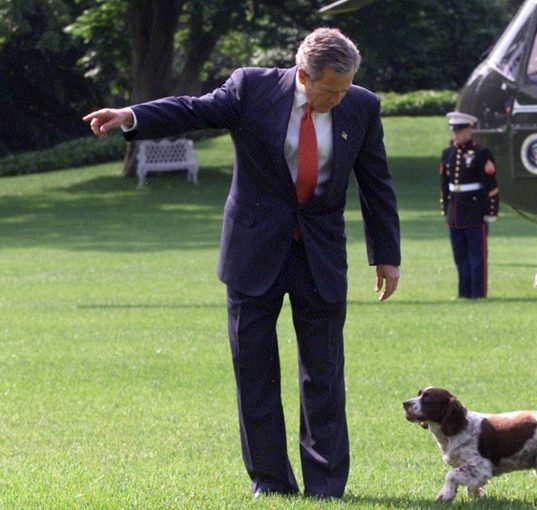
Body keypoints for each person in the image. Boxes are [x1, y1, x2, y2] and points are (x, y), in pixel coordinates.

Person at [83, 28, 401, 500]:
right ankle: (270, 482)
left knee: (324, 373)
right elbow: (193, 109)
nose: (340, 97)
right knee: (254, 372)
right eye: (331, 89)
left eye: (346, 86)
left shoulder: (361, 105)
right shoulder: (250, 88)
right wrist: (132, 115)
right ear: (302, 76)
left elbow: (376, 181)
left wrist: (387, 256)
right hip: (254, 253)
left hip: (320, 255)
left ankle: (326, 486)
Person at [439, 112, 499, 299]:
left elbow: (491, 185)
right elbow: (444, 185)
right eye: (453, 131)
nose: (455, 135)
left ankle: (478, 294)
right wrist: (446, 210)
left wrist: (491, 211)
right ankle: (463, 293)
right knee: (460, 257)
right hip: (455, 212)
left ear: (469, 130)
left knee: (476, 258)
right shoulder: (448, 153)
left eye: (459, 131)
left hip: (474, 211)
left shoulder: (481, 153)